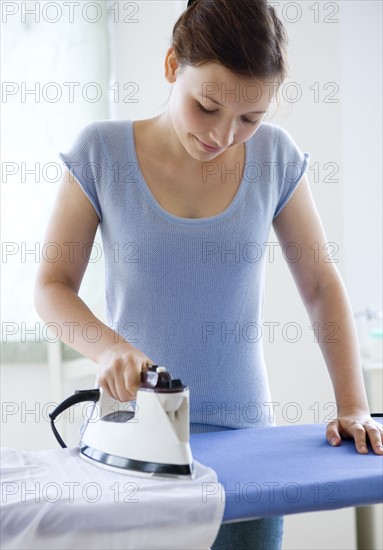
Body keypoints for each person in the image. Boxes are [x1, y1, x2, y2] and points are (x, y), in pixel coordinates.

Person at [34, 0, 383, 548]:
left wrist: (353, 405)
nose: (223, 134)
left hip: (247, 446)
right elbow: (51, 287)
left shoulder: (275, 157)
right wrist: (109, 350)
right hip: (135, 444)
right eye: (208, 106)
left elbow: (320, 286)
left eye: (250, 118)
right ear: (172, 66)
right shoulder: (100, 152)